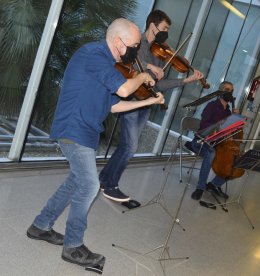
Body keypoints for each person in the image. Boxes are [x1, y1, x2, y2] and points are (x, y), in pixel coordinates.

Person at [26, 18, 164, 268]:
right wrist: (143, 75)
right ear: (118, 42)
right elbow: (123, 90)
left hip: (87, 131)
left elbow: (114, 105)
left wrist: (149, 102)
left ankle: (40, 226)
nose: (135, 51)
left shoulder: (109, 66)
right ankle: (73, 246)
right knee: (90, 185)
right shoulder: (93, 55)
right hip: (73, 128)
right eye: (133, 45)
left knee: (75, 182)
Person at [99, 10, 204, 202]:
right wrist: (148, 67)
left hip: (146, 102)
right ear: (153, 25)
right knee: (130, 147)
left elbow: (158, 84)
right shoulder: (136, 42)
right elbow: (127, 63)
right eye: (164, 28)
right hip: (131, 100)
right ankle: (110, 184)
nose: (166, 33)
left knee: (127, 147)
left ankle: (104, 179)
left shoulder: (159, 52)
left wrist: (184, 81)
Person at [190, 81, 239, 200]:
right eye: (227, 90)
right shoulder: (211, 106)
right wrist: (219, 125)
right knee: (210, 153)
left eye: (231, 91)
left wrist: (235, 118)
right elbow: (204, 126)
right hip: (201, 141)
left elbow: (230, 129)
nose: (230, 93)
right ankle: (200, 187)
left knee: (233, 159)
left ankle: (214, 184)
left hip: (218, 143)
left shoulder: (228, 111)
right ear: (220, 91)